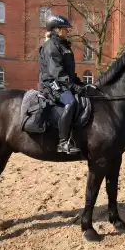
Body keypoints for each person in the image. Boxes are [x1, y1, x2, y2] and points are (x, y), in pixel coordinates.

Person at [39, 15, 86, 155]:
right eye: (66, 29)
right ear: (57, 30)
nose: (68, 31)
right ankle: (63, 142)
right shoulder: (50, 46)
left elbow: (69, 72)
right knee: (70, 102)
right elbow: (57, 72)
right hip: (51, 84)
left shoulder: (63, 46)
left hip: (63, 81)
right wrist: (73, 86)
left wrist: (80, 84)